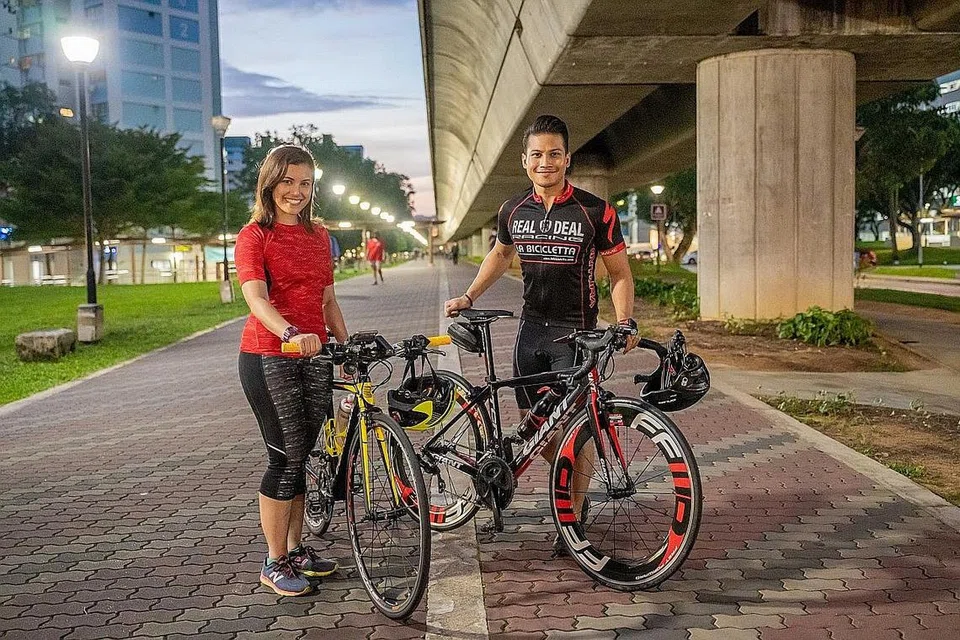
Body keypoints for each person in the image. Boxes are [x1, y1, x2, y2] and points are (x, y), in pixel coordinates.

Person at [443, 114, 639, 554]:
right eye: (537, 154)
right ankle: (571, 495)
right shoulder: (513, 209)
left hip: (577, 335)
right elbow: (499, 254)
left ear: (567, 159)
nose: (545, 162)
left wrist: (624, 320)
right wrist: (469, 296)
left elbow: (620, 275)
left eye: (554, 154)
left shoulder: (595, 210)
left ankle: (572, 518)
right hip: (530, 334)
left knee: (577, 429)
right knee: (539, 434)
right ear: (525, 161)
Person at [235, 144, 349, 597]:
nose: (296, 192)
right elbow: (256, 298)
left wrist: (345, 340)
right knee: (283, 458)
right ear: (270, 183)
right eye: (287, 181)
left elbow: (327, 300)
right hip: (269, 355)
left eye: (304, 183)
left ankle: (298, 549)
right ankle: (274, 559)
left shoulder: (319, 236)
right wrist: (289, 333)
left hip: (313, 355)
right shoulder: (254, 236)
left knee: (302, 455)